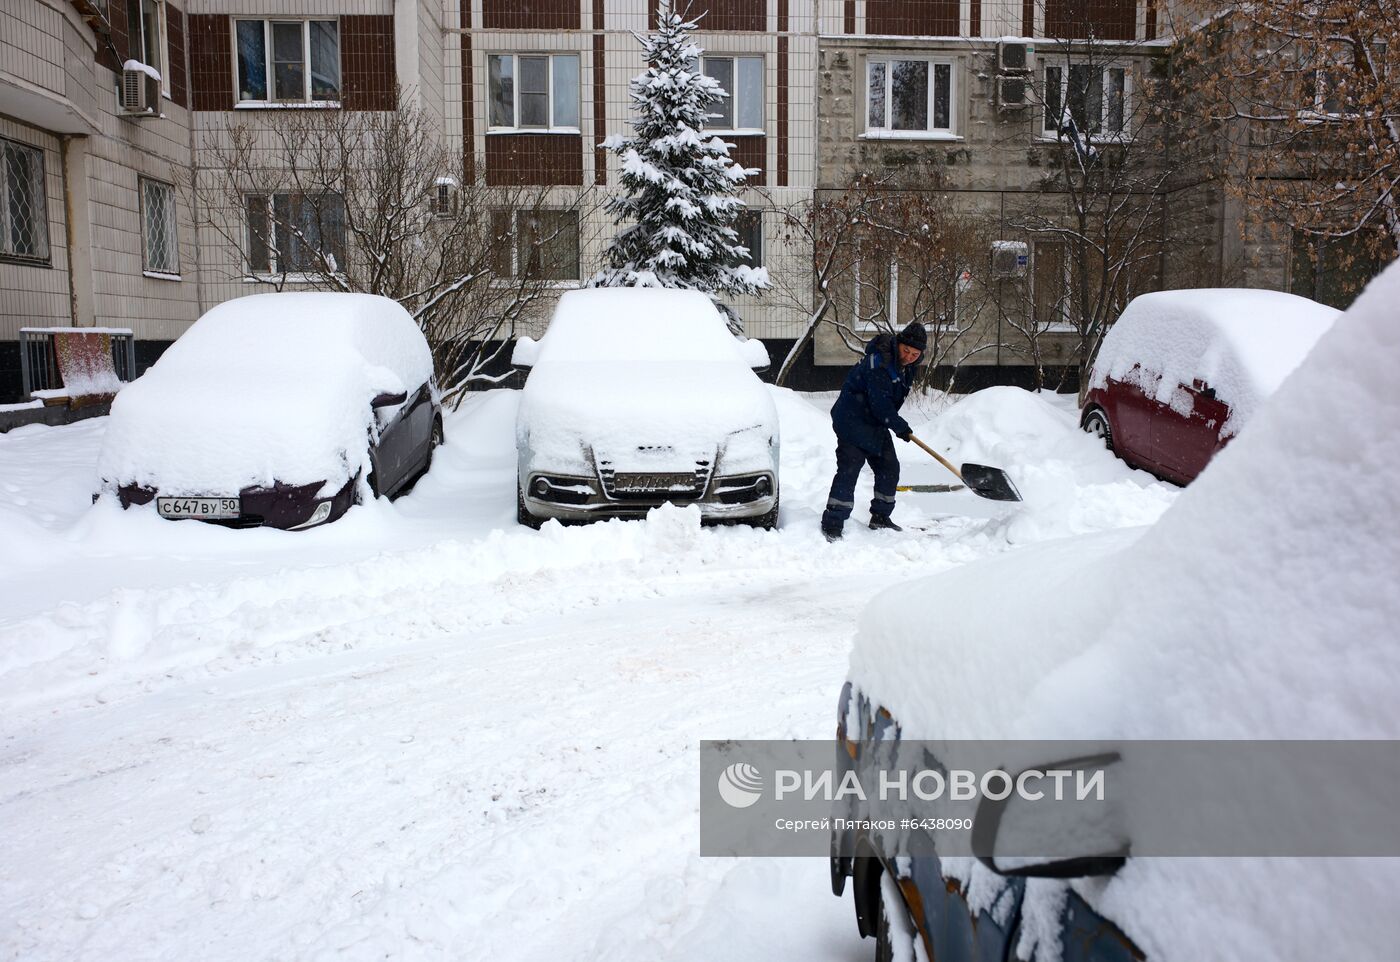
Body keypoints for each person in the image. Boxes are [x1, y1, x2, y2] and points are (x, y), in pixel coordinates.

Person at [820, 322, 927, 541]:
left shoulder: (906, 367)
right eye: (906, 351)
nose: (909, 356)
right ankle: (833, 523)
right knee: (849, 469)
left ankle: (880, 517)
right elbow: (881, 405)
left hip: (874, 423)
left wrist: (894, 423)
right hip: (853, 420)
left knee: (889, 467)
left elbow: (885, 405)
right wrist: (900, 427)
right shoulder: (880, 363)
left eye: (915, 354)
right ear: (898, 344)